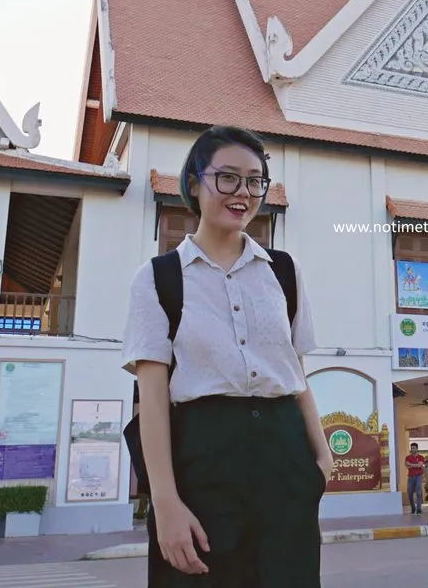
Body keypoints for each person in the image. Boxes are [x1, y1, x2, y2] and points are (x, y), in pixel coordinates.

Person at [122, 125, 329, 586]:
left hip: (286, 459)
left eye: (256, 181)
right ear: (194, 183)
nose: (244, 192)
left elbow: (297, 374)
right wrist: (166, 503)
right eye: (228, 178)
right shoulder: (158, 278)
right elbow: (152, 400)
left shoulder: (284, 272)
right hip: (203, 459)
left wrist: (321, 463)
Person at [405, 443, 426, 515]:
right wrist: (416, 465)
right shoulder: (408, 457)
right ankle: (413, 508)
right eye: (412, 448)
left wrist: (412, 464)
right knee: (410, 493)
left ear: (417, 449)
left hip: (418, 476)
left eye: (414, 448)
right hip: (410, 476)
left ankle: (419, 509)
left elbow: (420, 465)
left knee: (418, 492)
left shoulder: (421, 457)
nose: (412, 449)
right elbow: (407, 466)